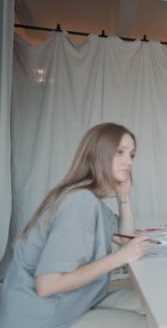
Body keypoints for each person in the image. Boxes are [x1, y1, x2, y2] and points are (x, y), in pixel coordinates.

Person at [0, 123, 150, 328]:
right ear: (99, 155)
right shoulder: (80, 201)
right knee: (149, 322)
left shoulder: (88, 197)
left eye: (132, 155)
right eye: (120, 152)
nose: (129, 162)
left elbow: (125, 239)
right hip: (38, 315)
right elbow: (47, 285)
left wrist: (124, 197)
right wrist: (120, 258)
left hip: (77, 297)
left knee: (151, 305)